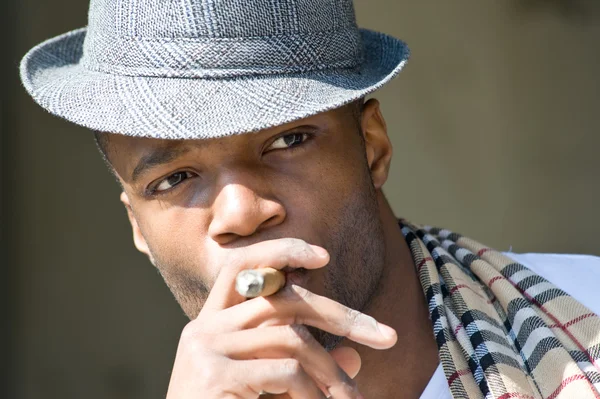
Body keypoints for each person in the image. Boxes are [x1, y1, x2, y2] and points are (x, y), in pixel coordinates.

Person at [19, 0, 600, 398]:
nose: (242, 213)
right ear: (139, 230)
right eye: (172, 179)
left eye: (287, 140)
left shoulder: (588, 322)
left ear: (372, 147)